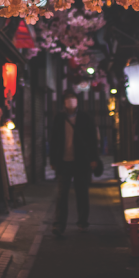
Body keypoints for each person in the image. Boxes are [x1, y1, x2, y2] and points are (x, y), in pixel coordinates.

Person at [49, 90, 100, 236]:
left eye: (73, 98)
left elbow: (92, 140)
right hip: (64, 162)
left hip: (82, 162)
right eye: (67, 98)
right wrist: (52, 160)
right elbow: (53, 140)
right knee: (61, 195)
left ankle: (83, 222)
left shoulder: (85, 118)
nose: (70, 100)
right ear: (63, 101)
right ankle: (58, 225)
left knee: (82, 193)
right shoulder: (59, 118)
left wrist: (93, 158)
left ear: (77, 101)